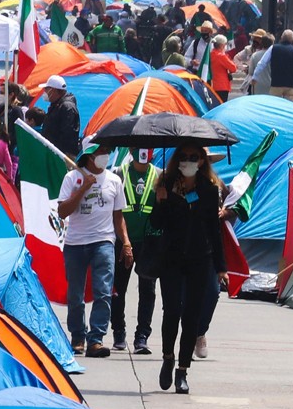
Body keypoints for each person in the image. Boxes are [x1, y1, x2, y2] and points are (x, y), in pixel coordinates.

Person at [149, 145, 226, 394]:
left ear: (202, 161)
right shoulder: (166, 183)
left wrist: (221, 268)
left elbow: (215, 229)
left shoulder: (209, 189)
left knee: (191, 315)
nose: (188, 161)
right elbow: (156, 223)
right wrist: (160, 203)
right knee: (171, 310)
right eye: (183, 157)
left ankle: (182, 371)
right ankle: (168, 357)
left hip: (200, 258)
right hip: (171, 257)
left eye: (194, 157)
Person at [57, 145, 130, 358]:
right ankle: (78, 336)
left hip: (104, 242)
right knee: (76, 295)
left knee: (104, 291)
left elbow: (119, 217)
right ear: (89, 156)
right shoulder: (72, 178)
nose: (105, 156)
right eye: (100, 152)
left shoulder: (115, 180)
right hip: (76, 243)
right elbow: (62, 211)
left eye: (107, 152)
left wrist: (126, 243)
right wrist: (82, 189)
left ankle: (96, 339)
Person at [112, 151, 162, 354]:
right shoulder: (119, 174)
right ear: (131, 150)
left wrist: (162, 199)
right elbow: (115, 211)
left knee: (148, 290)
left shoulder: (160, 175)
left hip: (149, 242)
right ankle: (118, 332)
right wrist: (125, 242)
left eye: (148, 147)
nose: (144, 151)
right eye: (139, 147)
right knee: (118, 289)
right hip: (123, 240)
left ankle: (142, 336)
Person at [252, 30, 293, 104]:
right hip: (291, 86)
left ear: (281, 38)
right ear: (292, 40)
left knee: (275, 107)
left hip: (276, 84)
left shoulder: (273, 48)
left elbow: (262, 63)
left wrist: (255, 76)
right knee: (288, 108)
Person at [40, 76, 81, 157]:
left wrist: (59, 153)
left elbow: (68, 135)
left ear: (53, 90)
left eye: (46, 89)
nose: (44, 92)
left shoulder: (66, 107)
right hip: (53, 152)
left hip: (62, 155)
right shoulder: (57, 105)